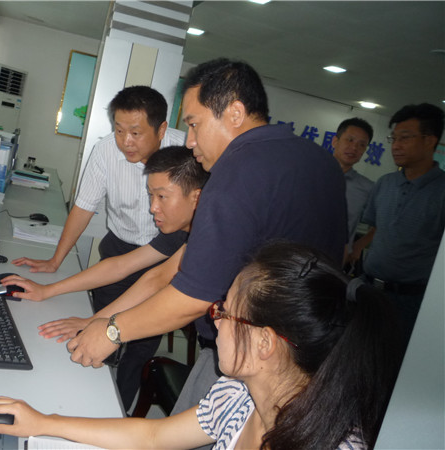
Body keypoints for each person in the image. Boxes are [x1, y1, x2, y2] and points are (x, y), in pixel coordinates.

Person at [64, 58, 347, 420]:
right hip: (312, 364)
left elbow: (192, 296)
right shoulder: (322, 163)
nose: (191, 141)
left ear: (235, 113)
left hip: (245, 360)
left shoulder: (234, 171)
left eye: (195, 124)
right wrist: (99, 320)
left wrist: (112, 332)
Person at [0, 242, 400, 450]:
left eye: (225, 312)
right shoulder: (240, 395)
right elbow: (155, 435)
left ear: (265, 343)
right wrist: (43, 421)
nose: (214, 320)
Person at [2, 146, 208, 411]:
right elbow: (130, 268)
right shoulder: (185, 231)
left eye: (162, 196)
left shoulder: (214, 236)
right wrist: (48, 291)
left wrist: (106, 327)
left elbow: (169, 294)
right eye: (150, 195)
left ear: (196, 197)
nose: (152, 207)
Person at [12, 86, 185, 305]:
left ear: (161, 130)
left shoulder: (187, 151)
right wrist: (55, 261)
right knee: (102, 314)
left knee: (148, 322)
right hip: (120, 248)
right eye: (119, 131)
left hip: (170, 254)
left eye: (135, 133)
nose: (126, 142)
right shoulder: (105, 150)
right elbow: (83, 208)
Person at [361, 103, 445, 348]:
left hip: (411, 300)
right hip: (369, 290)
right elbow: (376, 230)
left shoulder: (441, 190)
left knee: (394, 360)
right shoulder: (385, 183)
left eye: (405, 138)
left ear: (430, 141)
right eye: (394, 138)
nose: (395, 146)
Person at [331, 118, 375, 270]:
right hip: (297, 251)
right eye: (350, 140)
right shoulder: (311, 173)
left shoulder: (367, 188)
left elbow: (381, 222)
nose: (354, 148)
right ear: (335, 141)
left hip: (335, 260)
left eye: (362, 145)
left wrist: (358, 246)